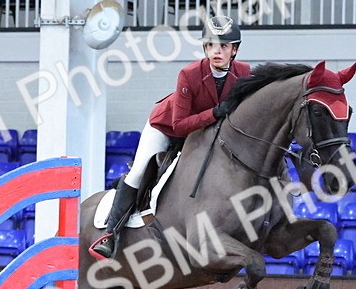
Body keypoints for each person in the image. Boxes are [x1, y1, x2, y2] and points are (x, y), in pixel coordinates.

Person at [89, 14, 252, 260]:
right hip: (167, 128)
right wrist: (214, 113)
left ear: (234, 50)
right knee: (138, 171)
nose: (216, 51)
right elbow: (179, 125)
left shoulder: (244, 73)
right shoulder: (189, 74)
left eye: (223, 46)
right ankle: (110, 235)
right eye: (210, 45)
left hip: (204, 133)